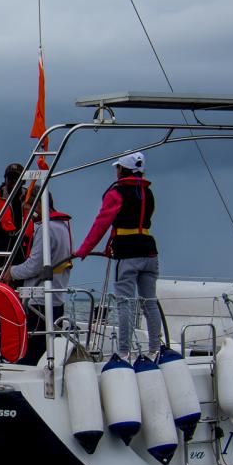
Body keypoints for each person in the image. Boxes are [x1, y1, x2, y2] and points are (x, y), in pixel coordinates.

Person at [73, 151, 160, 355]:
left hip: (127, 253)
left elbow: (101, 224)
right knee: (149, 303)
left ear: (123, 169)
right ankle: (156, 349)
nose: (116, 171)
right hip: (149, 251)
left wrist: (84, 250)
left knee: (124, 303)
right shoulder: (148, 193)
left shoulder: (116, 193)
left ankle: (124, 352)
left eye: (118, 167)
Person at [2, 192, 73, 365]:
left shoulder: (44, 229)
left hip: (39, 300)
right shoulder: (63, 226)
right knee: (49, 347)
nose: (28, 214)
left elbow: (34, 265)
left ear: (39, 206)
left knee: (32, 353)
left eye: (28, 209)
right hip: (57, 297)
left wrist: (11, 272)